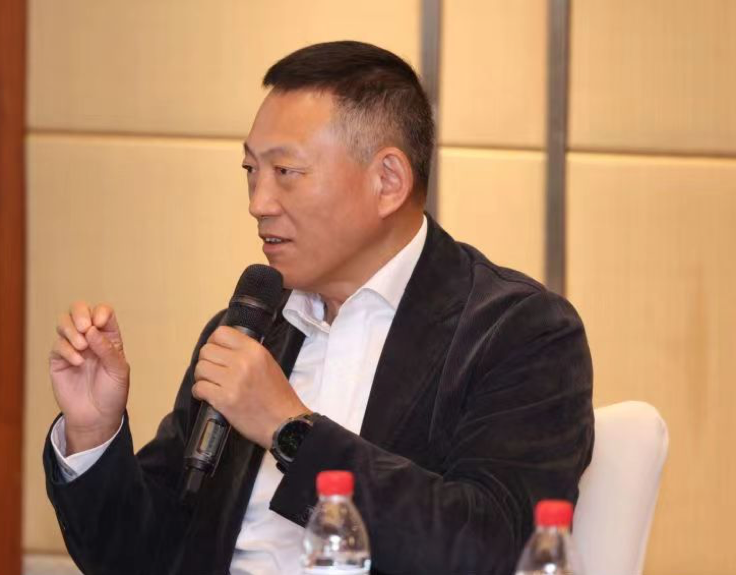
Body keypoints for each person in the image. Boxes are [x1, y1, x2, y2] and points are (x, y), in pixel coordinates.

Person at [44, 41, 594, 575]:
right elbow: (145, 555)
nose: (258, 203)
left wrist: (289, 429)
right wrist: (93, 434)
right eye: (251, 171)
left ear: (387, 181)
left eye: (286, 172)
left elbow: (495, 549)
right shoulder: (251, 328)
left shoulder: (518, 332)